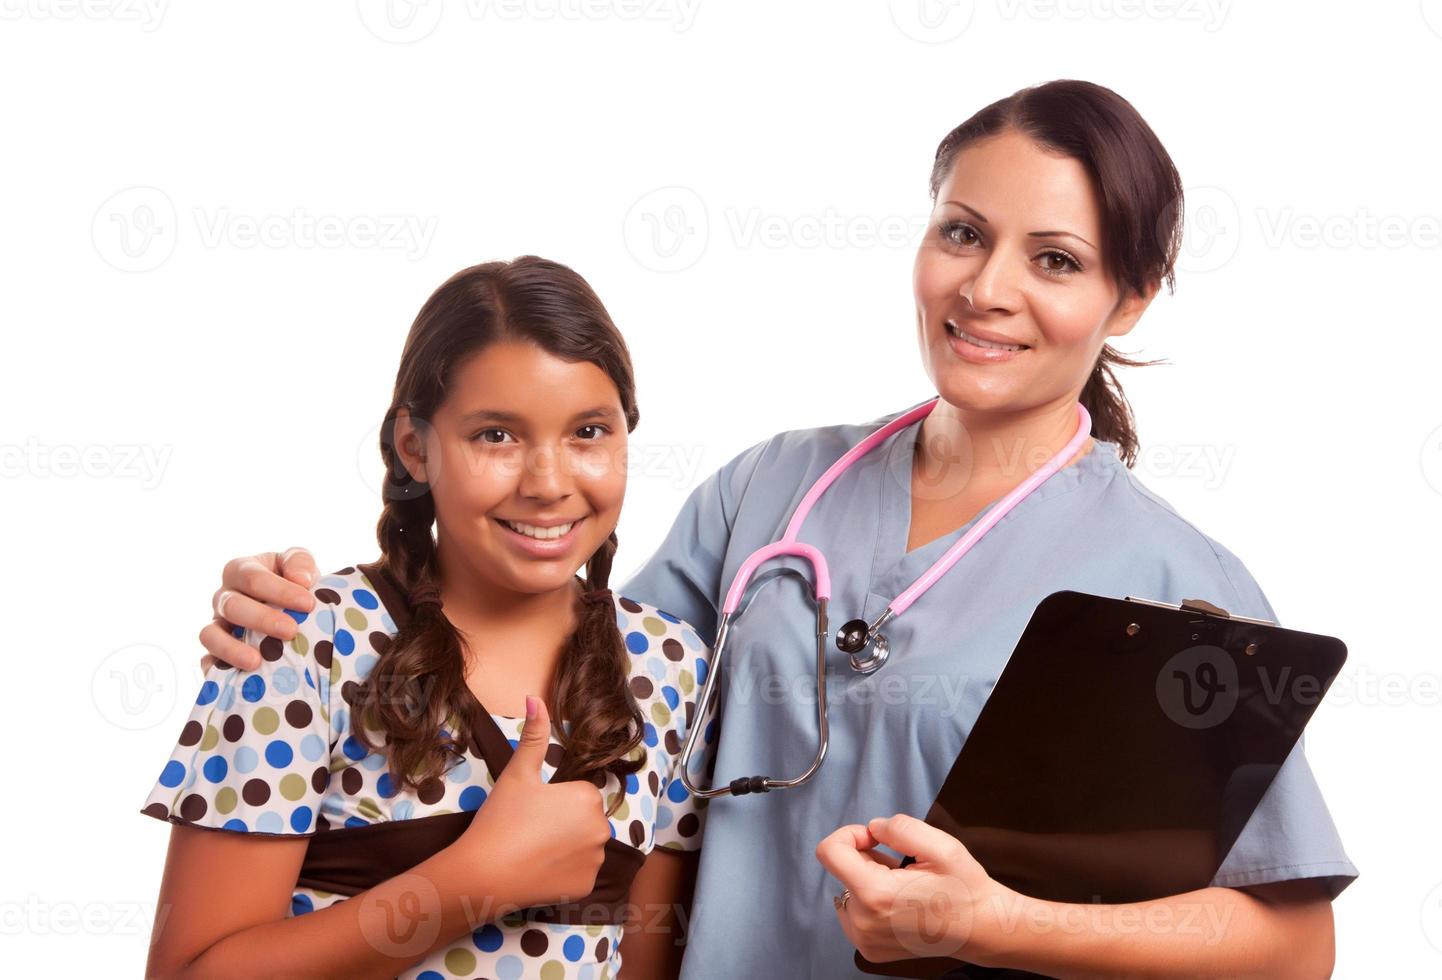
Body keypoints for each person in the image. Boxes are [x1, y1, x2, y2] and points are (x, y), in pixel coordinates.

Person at [192, 80, 1356, 977]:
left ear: (1131, 296)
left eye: (1053, 259)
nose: (985, 288)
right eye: (961, 232)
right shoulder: (772, 489)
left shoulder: (1175, 579)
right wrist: (322, 600)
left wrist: (993, 921)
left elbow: (1287, 942)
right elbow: (558, 662)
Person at [141, 257, 711, 979]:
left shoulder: (673, 667)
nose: (547, 483)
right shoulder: (302, 639)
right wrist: (474, 882)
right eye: (495, 436)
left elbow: (645, 961)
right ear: (415, 446)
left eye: (588, 432)